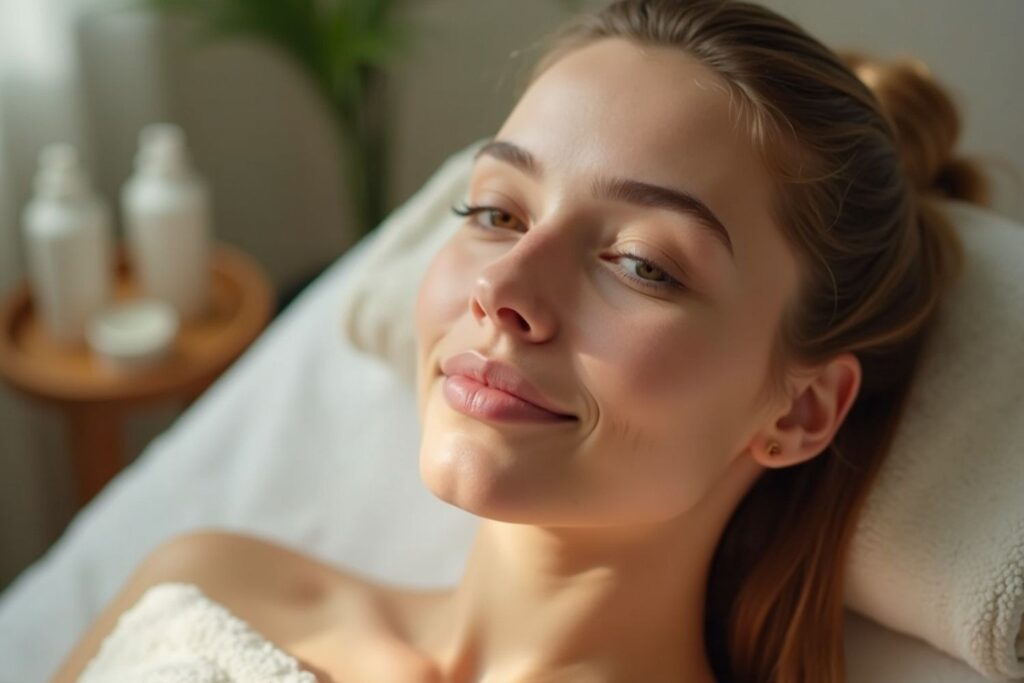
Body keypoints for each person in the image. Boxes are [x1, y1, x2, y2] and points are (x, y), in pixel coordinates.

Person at [52, 0, 992, 681]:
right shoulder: (207, 582)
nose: (502, 292)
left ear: (800, 409)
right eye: (495, 211)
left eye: (641, 264)